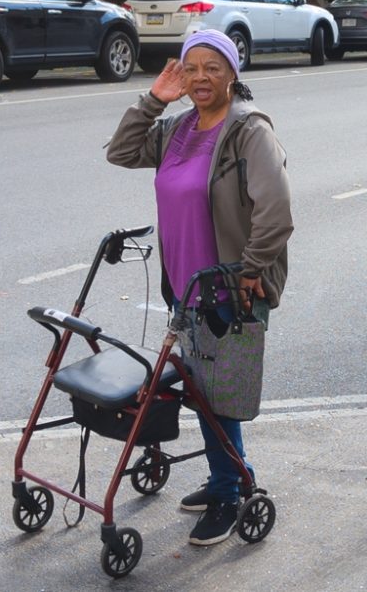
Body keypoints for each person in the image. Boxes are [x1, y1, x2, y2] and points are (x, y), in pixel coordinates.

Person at [106, 29, 293, 546]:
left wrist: (250, 271)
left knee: (221, 396)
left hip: (230, 286)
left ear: (234, 74)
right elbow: (121, 152)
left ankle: (231, 491)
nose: (201, 78)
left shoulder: (249, 132)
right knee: (205, 391)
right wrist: (153, 100)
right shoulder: (178, 127)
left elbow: (275, 211)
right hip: (185, 284)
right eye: (192, 69)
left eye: (214, 67)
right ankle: (227, 476)